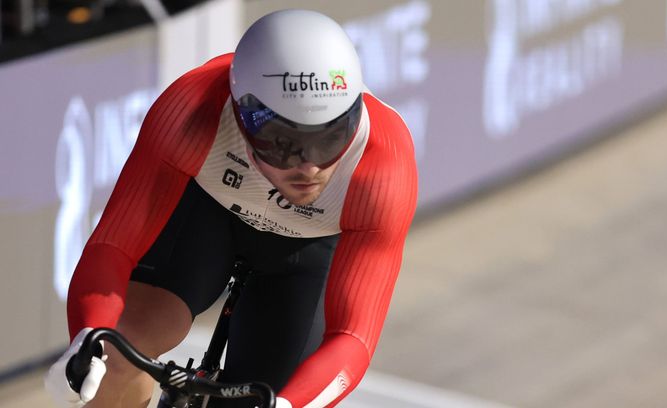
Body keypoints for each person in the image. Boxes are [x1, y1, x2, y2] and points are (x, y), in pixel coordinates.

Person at [44, 8, 418, 408]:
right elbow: (113, 246)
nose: (310, 168)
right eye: (285, 144)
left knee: (272, 398)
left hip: (307, 254)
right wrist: (89, 338)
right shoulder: (192, 109)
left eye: (330, 139)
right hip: (209, 216)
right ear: (242, 117)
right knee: (114, 360)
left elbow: (352, 338)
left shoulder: (383, 166)